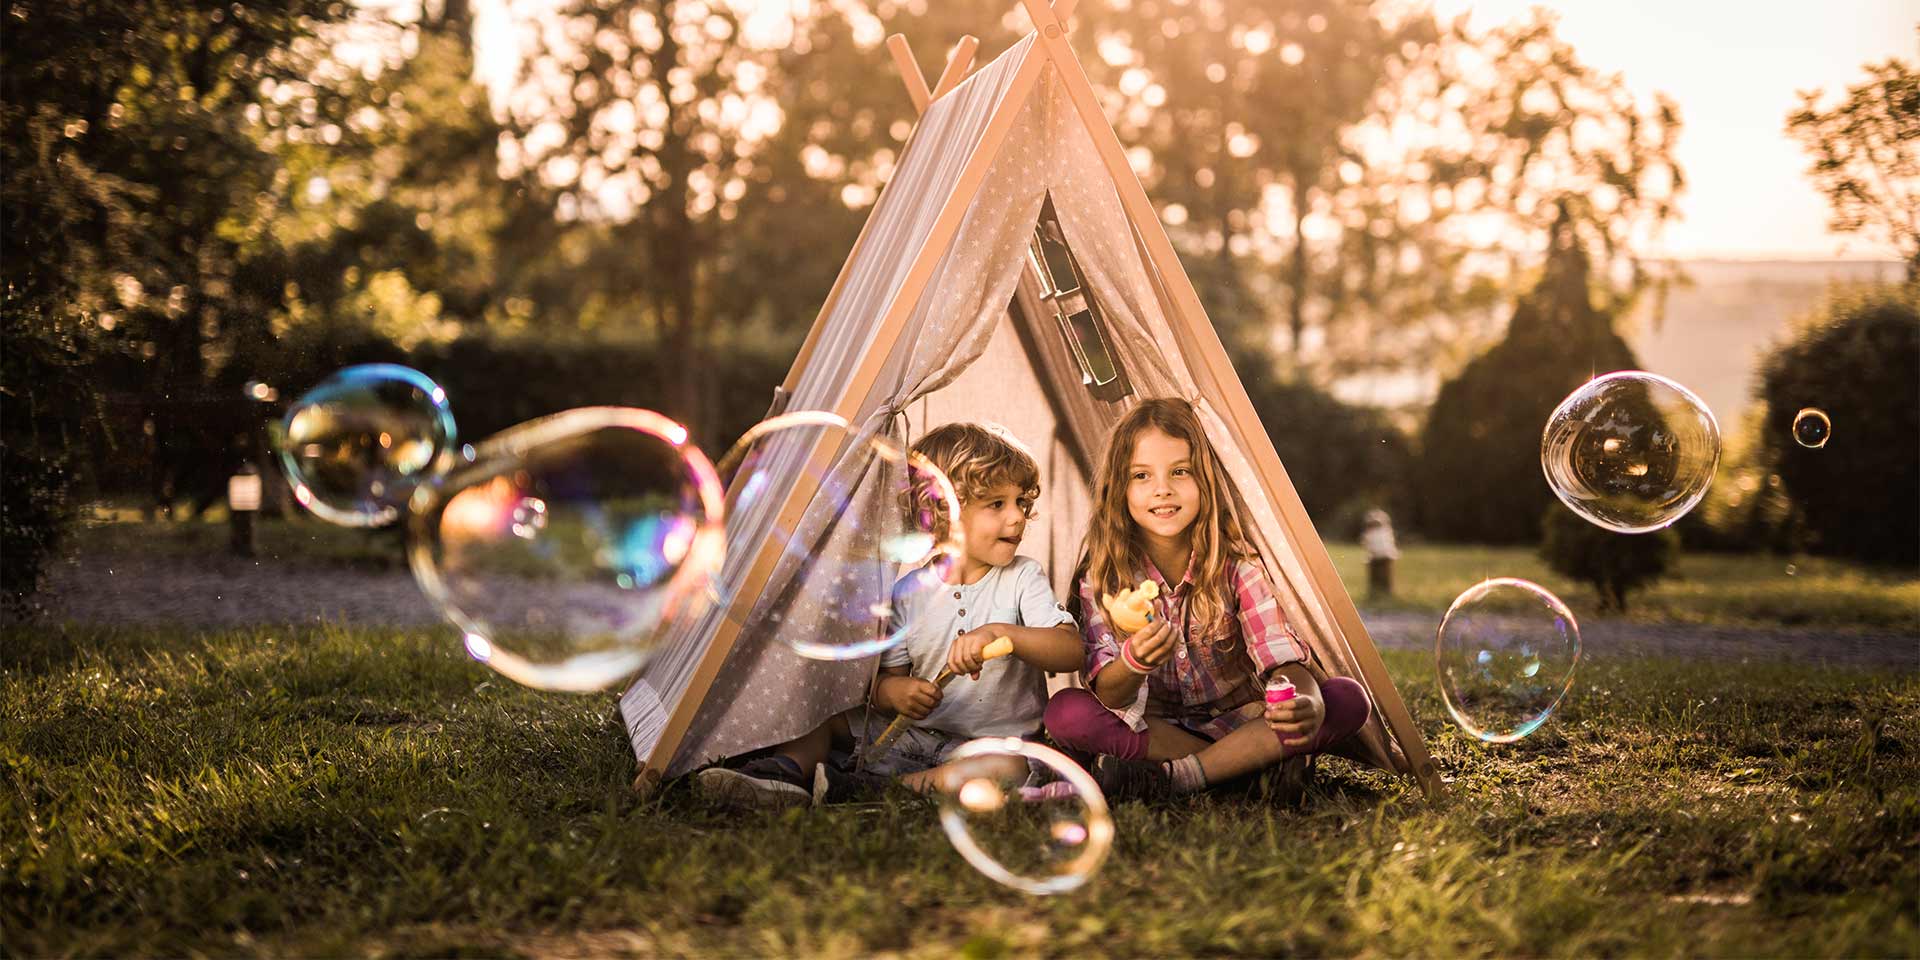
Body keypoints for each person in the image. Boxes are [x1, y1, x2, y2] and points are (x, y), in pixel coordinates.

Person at [695, 422, 1084, 809]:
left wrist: (1005, 634)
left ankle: (874, 792)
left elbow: (1070, 650)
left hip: (992, 746)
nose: (1017, 517)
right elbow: (884, 684)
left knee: (1007, 768)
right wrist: (895, 693)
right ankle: (784, 773)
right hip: (914, 737)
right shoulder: (908, 592)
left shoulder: (1022, 576)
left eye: (1022, 502)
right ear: (942, 510)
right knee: (823, 716)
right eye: (997, 504)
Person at [1041, 398, 1371, 800]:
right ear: (1118, 490)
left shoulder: (1237, 562)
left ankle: (1174, 778)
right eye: (1141, 475)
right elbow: (1110, 695)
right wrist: (1134, 663)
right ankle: (1246, 770)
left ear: (1206, 480)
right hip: (1156, 730)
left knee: (1345, 699)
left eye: (1180, 471)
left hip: (1245, 720)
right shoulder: (1105, 576)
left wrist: (1302, 699)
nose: (1162, 489)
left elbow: (1281, 659)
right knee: (1066, 713)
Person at [1361, 508, 1399, 599]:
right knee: (1382, 575)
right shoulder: (1386, 532)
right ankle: (1382, 591)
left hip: (1379, 557)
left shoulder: (1374, 533)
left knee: (1380, 576)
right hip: (1383, 556)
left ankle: (1379, 591)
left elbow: (1368, 545)